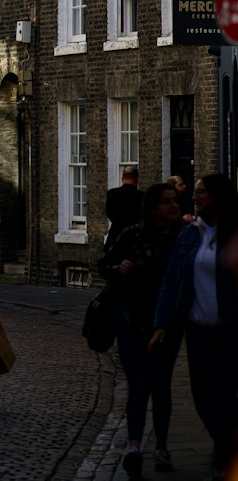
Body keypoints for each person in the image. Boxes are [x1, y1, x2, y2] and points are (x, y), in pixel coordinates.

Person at [151, 173, 238, 480]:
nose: (194, 197)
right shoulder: (190, 233)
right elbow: (172, 279)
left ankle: (224, 456)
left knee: (227, 395)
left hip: (229, 329)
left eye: (200, 192)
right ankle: (223, 444)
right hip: (198, 329)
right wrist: (161, 323)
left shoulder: (232, 233)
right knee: (202, 398)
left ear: (216, 196)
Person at [98, 183, 184, 477]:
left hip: (167, 326)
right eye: (166, 202)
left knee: (161, 387)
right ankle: (134, 445)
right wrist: (118, 266)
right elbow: (103, 264)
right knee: (138, 386)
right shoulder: (132, 235)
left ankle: (161, 445)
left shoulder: (181, 238)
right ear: (152, 206)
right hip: (132, 323)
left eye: (175, 201)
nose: (173, 206)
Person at [105, 166, 144, 247]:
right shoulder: (142, 196)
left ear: (122, 179)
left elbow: (109, 213)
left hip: (115, 236)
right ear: (137, 179)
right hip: (135, 238)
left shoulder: (112, 193)